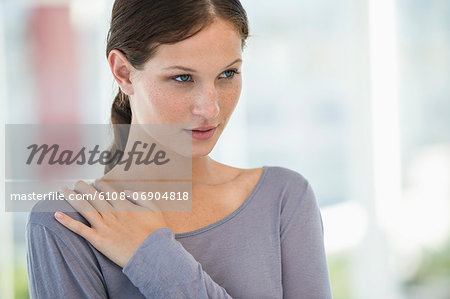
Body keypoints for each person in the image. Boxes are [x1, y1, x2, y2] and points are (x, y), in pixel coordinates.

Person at [26, 0, 333, 298]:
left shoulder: (283, 199)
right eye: (182, 77)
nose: (210, 109)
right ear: (123, 72)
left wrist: (154, 257)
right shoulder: (69, 224)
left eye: (228, 74)